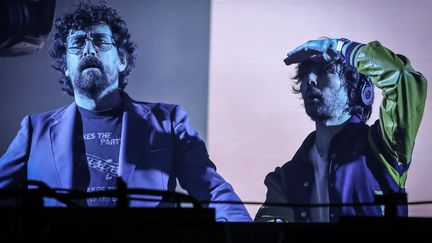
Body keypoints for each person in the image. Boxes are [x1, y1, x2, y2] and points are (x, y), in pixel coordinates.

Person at [0, 2, 251, 222]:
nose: (88, 50)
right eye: (77, 43)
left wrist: (248, 234)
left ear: (121, 60)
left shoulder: (169, 121)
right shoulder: (35, 129)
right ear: (65, 66)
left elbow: (211, 189)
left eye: (99, 40)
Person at [255, 38, 427, 222]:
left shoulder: (384, 146)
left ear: (356, 89)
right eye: (305, 74)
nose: (310, 80)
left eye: (324, 71)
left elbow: (403, 79)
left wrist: (340, 47)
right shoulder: (286, 178)